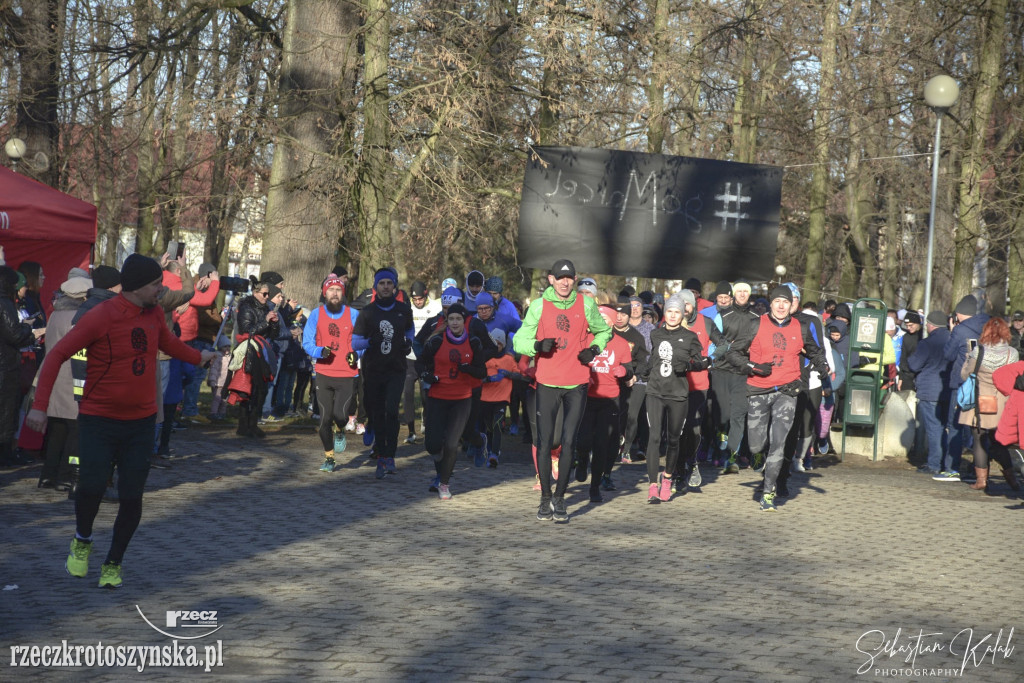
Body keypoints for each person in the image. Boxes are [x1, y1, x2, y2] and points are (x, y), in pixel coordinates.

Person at [26, 254, 217, 588]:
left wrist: (198, 357)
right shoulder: (101, 316)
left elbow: (167, 342)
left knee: (131, 496)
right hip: (99, 418)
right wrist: (39, 406)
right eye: (157, 284)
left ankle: (113, 562)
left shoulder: (155, 312)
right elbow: (57, 355)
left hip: (140, 422)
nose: (161, 289)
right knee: (92, 487)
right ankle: (82, 539)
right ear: (138, 286)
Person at [513, 259, 611, 522]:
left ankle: (560, 498)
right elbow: (518, 340)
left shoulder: (586, 303)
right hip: (547, 382)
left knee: (569, 442)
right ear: (551, 280)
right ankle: (545, 498)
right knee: (546, 443)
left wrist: (594, 349)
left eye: (570, 278)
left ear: (575, 279)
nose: (566, 282)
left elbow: (604, 331)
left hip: (577, 383)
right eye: (560, 277)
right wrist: (537, 346)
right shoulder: (538, 306)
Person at [727, 285, 829, 511]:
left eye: (786, 302)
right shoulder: (755, 325)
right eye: (777, 302)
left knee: (779, 444)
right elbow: (732, 353)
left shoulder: (801, 327)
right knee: (756, 445)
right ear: (770, 304)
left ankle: (768, 491)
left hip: (787, 391)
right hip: (759, 390)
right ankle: (758, 460)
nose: (782, 306)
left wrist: (822, 366)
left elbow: (814, 350)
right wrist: (753, 366)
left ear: (792, 305)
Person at [640, 292, 706, 502]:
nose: (672, 315)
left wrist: (687, 365)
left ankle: (667, 478)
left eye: (677, 312)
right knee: (654, 437)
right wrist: (644, 370)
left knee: (674, 439)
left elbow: (701, 362)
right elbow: (653, 359)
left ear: (682, 315)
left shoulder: (690, 337)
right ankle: (652, 485)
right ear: (665, 313)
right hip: (655, 391)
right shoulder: (656, 334)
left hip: (678, 394)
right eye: (669, 311)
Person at [416, 303, 487, 499]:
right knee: (432, 445)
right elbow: (420, 362)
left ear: (464, 321)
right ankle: (441, 470)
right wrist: (426, 376)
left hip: (462, 399)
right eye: (451, 319)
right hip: (438, 397)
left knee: (451, 444)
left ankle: (444, 483)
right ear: (447, 321)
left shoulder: (473, 342)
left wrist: (468, 369)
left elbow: (482, 371)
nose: (455, 322)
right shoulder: (436, 341)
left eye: (458, 319)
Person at [352, 267, 414, 479]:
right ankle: (379, 449)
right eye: (382, 283)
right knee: (376, 412)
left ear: (395, 286)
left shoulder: (403, 309)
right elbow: (354, 341)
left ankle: (389, 456)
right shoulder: (367, 312)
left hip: (396, 368)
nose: (386, 287)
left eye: (389, 283)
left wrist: (409, 343)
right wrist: (369, 342)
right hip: (373, 369)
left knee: (391, 411)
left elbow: (409, 330)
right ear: (376, 287)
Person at [36, 275, 90, 491]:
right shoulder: (79, 316)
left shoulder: (56, 315)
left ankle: (48, 474)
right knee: (75, 431)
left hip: (54, 378)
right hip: (74, 379)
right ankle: (66, 475)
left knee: (56, 430)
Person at [576, 301, 633, 502]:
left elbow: (629, 368)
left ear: (612, 323)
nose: (598, 322)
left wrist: (624, 371)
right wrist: (583, 375)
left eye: (604, 319)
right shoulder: (585, 339)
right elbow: (574, 362)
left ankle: (594, 488)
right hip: (586, 397)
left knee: (601, 444)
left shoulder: (621, 343)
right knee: (583, 440)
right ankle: (582, 459)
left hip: (610, 399)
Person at [303, 275, 360, 473]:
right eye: (331, 290)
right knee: (324, 418)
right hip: (324, 372)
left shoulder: (353, 314)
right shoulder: (316, 315)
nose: (334, 293)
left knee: (340, 416)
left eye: (338, 290)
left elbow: (362, 340)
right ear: (324, 293)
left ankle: (341, 428)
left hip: (346, 373)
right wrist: (319, 352)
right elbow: (307, 342)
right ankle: (329, 458)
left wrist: (356, 353)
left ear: (342, 293)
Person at [958, 317, 1020, 493]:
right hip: (1002, 404)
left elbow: (965, 375)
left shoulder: (978, 352)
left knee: (978, 440)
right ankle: (1012, 480)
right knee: (999, 442)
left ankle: (981, 481)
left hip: (979, 403)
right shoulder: (1012, 354)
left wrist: (967, 358)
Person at [708, 280, 760, 472]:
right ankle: (719, 447)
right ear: (733, 294)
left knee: (739, 414)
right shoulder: (723, 316)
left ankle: (732, 457)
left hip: (743, 372)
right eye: (739, 291)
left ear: (749, 295)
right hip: (721, 369)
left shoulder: (757, 317)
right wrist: (712, 359)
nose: (742, 294)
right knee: (722, 416)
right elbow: (714, 343)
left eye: (746, 292)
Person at [941, 295, 990, 480]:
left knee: (955, 425)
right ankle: (977, 470)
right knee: (977, 427)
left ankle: (952, 467)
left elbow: (948, 355)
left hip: (962, 384)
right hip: (983, 384)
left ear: (959, 314)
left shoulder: (960, 330)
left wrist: (953, 331)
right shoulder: (987, 327)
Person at [0, 267, 42, 468]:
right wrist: (28, 328)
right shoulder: (5, 303)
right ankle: (4, 454)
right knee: (7, 411)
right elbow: (14, 334)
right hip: (5, 365)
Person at [229, 280, 280, 438]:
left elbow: (273, 335)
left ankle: (253, 423)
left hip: (262, 351)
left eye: (268, 294)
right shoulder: (246, 307)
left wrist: (274, 324)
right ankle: (244, 425)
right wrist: (265, 321)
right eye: (264, 294)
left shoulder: (265, 307)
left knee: (261, 389)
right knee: (247, 389)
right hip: (249, 351)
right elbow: (247, 331)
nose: (266, 297)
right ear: (255, 293)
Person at [403, 280, 440, 443]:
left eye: (420, 299)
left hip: (426, 358)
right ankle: (411, 431)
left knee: (427, 395)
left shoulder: (435, 308)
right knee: (408, 394)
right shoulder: (406, 308)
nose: (418, 302)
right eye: (415, 299)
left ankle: (426, 421)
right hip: (409, 358)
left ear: (426, 295)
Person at [479, 329, 520, 467]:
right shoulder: (485, 359)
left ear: (503, 344)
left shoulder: (508, 359)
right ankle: (490, 450)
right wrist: (489, 379)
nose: (496, 346)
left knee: (497, 426)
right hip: (485, 399)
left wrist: (508, 374)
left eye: (499, 343)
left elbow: (520, 376)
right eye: (494, 343)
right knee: (489, 427)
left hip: (501, 399)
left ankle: (494, 454)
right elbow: (477, 377)